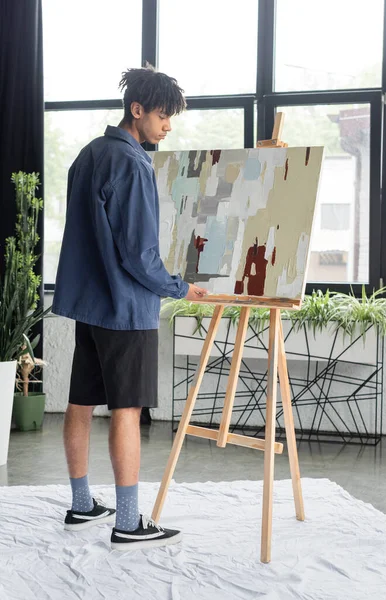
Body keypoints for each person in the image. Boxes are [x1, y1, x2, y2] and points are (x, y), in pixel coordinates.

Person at [52, 65, 208, 551]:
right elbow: (140, 255)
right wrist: (180, 287)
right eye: (162, 116)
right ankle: (127, 521)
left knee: (79, 404)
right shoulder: (135, 163)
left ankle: (82, 505)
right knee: (126, 410)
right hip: (126, 309)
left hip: (90, 308)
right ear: (136, 110)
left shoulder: (87, 155)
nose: (167, 126)